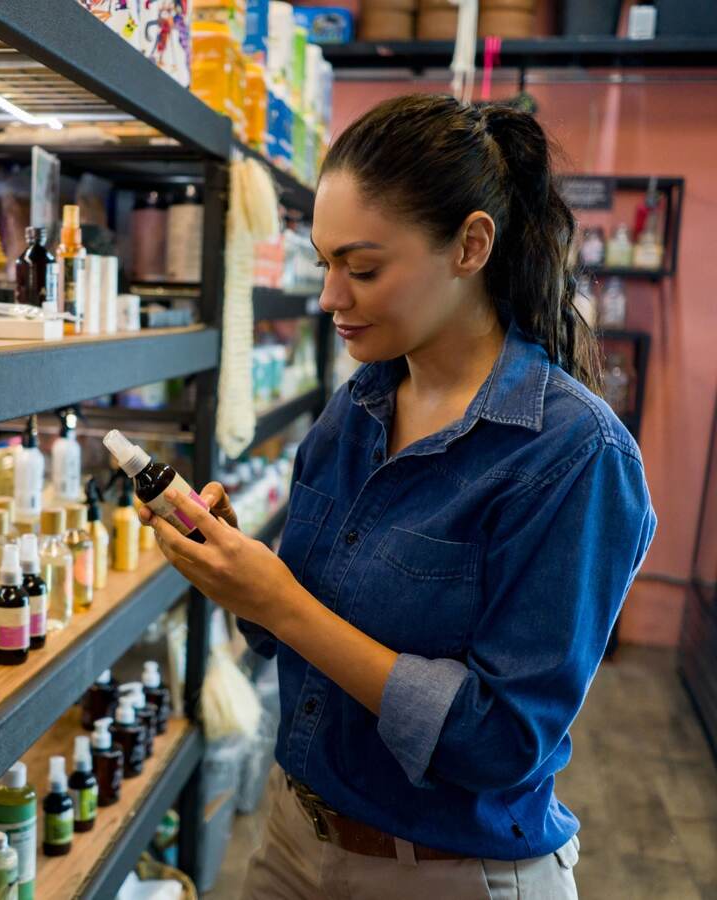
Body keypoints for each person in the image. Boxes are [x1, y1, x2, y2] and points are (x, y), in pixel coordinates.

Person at [139, 94, 655, 899]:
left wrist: (279, 604)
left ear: (470, 247)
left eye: (364, 268)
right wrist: (237, 566)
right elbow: (298, 627)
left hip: (444, 873)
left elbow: (500, 740)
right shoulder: (362, 404)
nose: (329, 298)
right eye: (325, 263)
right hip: (294, 836)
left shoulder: (572, 455)